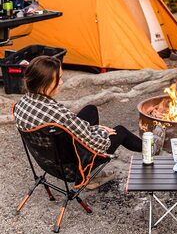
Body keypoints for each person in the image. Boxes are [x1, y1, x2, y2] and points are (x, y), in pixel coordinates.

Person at [14, 56, 165, 158]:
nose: (61, 82)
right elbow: (98, 145)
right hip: (72, 163)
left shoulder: (21, 104)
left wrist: (94, 129)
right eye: (58, 79)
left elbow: (73, 127)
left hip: (50, 157)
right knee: (120, 131)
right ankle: (152, 149)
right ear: (45, 83)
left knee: (90, 110)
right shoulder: (59, 114)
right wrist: (102, 131)